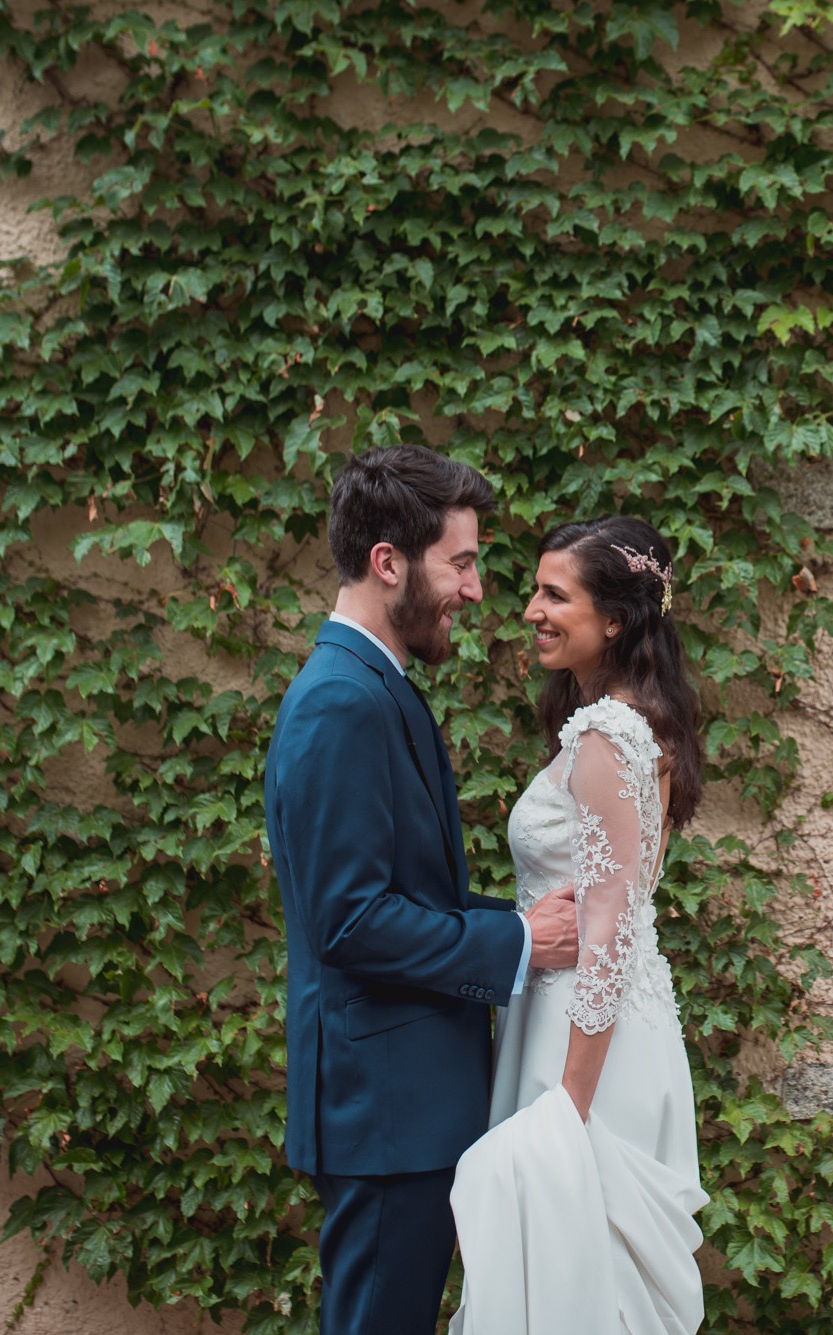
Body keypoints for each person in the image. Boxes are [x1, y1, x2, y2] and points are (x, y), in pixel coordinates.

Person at [263, 446, 580, 1335]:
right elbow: (353, 920)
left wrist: (517, 922)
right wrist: (519, 945)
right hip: (384, 1115)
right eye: (463, 562)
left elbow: (406, 891)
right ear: (388, 561)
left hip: (404, 1108)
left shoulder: (375, 685)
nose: (477, 591)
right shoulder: (342, 702)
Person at [447, 515, 708, 1335]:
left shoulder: (608, 735)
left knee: (570, 1285)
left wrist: (567, 1108)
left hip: (582, 1049)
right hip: (599, 1029)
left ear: (616, 620)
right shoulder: (635, 721)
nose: (531, 609)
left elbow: (608, 933)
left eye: (554, 594)